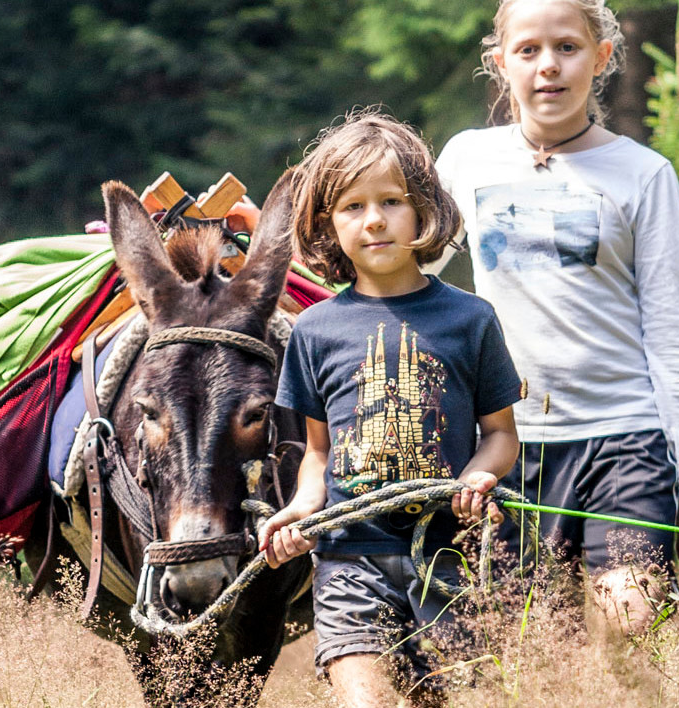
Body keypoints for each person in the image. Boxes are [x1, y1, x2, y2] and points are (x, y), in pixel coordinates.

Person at [433, 0, 679, 622]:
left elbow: (672, 336)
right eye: (528, 50)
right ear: (500, 63)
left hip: (625, 441)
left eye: (568, 47)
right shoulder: (466, 160)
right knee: (535, 645)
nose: (548, 67)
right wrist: (275, 258)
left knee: (630, 623)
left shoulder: (643, 174)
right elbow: (402, 267)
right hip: (505, 447)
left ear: (601, 58)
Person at [258, 109, 522, 707]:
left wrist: (480, 474)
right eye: (352, 206)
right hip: (351, 561)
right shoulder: (315, 330)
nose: (374, 220)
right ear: (328, 223)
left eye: (392, 201)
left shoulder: (470, 319)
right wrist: (301, 509)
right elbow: (317, 452)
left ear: (423, 209)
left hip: (448, 556)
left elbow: (501, 435)